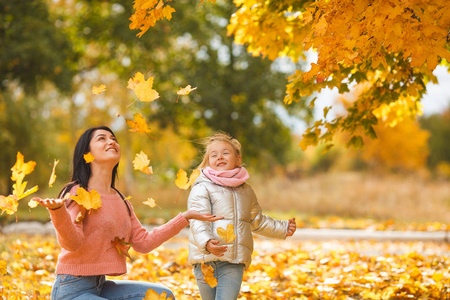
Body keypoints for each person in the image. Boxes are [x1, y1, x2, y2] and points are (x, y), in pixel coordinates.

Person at [34, 125, 223, 300]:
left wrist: (185, 217)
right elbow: (72, 243)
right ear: (87, 153)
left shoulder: (120, 199)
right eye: (102, 138)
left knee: (162, 296)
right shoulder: (78, 192)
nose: (111, 142)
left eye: (113, 138)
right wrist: (58, 211)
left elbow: (143, 243)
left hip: (101, 286)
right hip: (71, 290)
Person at [187, 132, 297, 300]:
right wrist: (207, 242)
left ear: (238, 159)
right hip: (205, 260)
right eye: (213, 155)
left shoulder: (246, 191)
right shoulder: (202, 187)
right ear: (208, 161)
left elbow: (257, 221)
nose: (220, 157)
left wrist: (282, 228)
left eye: (225, 153)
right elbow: (198, 219)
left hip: (233, 261)